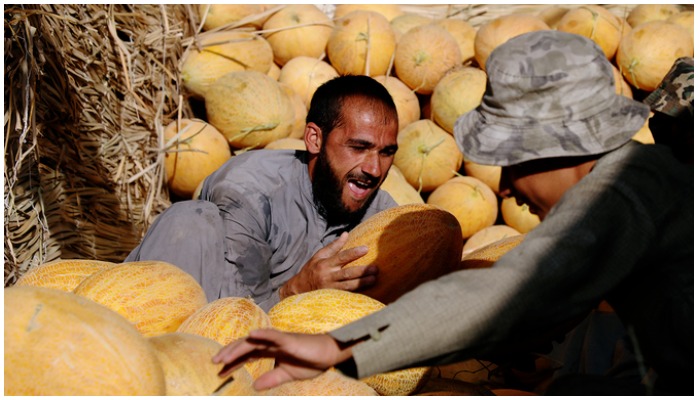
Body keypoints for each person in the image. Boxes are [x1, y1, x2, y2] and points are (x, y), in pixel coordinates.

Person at [212, 31, 693, 395]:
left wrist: (337, 346)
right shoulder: (647, 183)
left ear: (558, 150)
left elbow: (507, 291)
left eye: (513, 162)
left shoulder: (626, 189)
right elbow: (552, 293)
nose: (505, 186)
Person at [125, 75, 400, 311]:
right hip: (192, 335)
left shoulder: (382, 217)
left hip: (287, 357)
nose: (375, 169)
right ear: (315, 139)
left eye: (386, 152)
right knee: (188, 220)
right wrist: (297, 290)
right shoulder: (250, 192)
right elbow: (231, 319)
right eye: (358, 148)